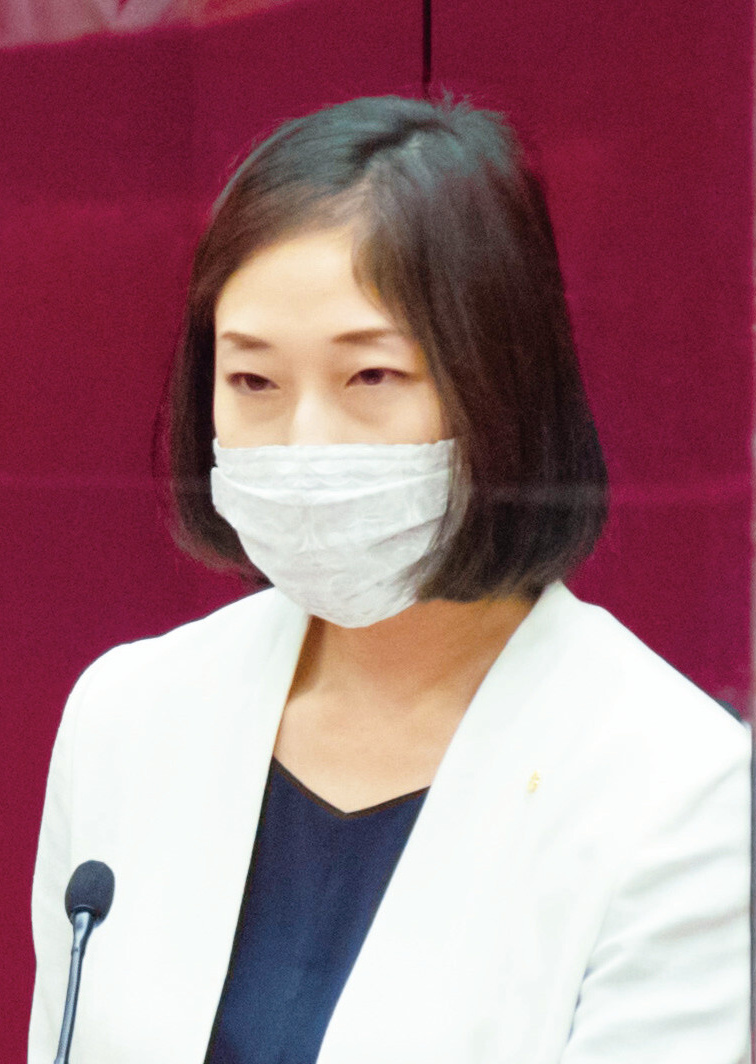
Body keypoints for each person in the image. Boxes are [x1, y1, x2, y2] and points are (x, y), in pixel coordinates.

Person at [29, 95, 750, 1064]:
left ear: (498, 386)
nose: (304, 443)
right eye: (252, 382)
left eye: (370, 377)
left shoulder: (678, 788)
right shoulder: (126, 715)